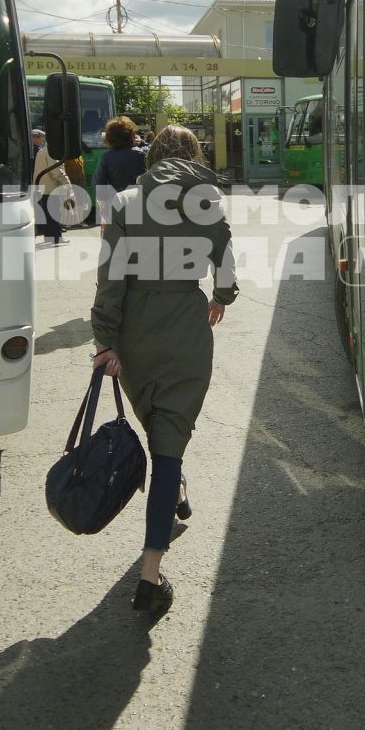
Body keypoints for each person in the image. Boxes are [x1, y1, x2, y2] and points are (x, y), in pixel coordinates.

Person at [90, 125, 237, 614]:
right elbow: (226, 259)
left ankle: (175, 488)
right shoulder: (208, 200)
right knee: (169, 440)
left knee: (157, 424)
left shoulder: (128, 201)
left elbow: (110, 277)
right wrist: (220, 298)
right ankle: (150, 574)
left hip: (135, 330)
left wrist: (104, 340)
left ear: (151, 155)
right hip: (186, 324)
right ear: (194, 155)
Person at [92, 116, 145, 227]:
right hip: (140, 205)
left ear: (109, 137)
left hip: (115, 205)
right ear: (131, 134)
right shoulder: (142, 154)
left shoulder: (106, 157)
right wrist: (142, 143)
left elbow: (99, 183)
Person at [31, 128, 67, 245]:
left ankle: (49, 237)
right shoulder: (51, 152)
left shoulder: (43, 151)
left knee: (48, 214)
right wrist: (67, 183)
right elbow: (56, 171)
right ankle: (56, 238)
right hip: (51, 187)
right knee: (55, 213)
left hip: (43, 186)